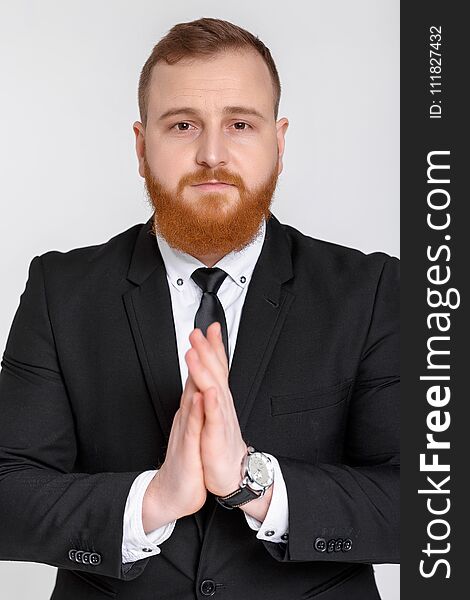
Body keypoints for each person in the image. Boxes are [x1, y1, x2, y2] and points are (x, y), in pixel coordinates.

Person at [0, 17, 399, 600]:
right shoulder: (60, 290)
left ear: (279, 142)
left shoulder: (371, 290)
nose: (212, 154)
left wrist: (252, 481)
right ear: (141, 147)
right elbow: (8, 493)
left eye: (240, 123)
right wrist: (154, 500)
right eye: (183, 124)